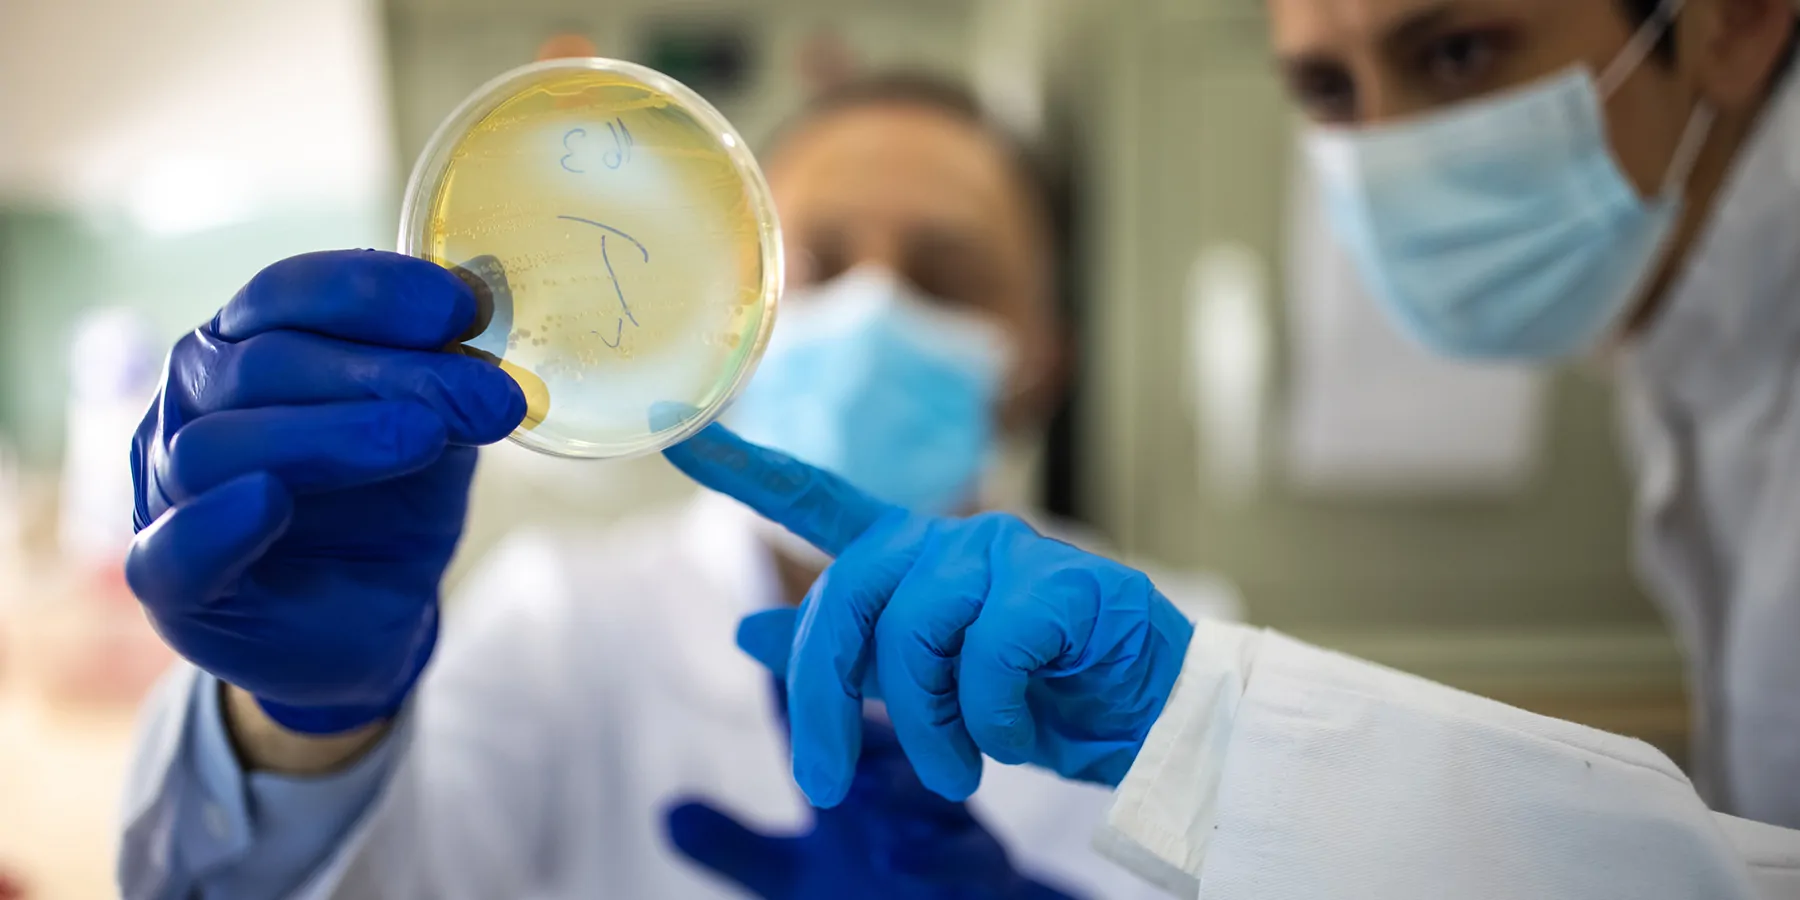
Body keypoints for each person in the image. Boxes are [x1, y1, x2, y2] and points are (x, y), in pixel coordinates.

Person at [115, 75, 1226, 898]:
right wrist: (299, 732)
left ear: (1042, 355)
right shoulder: (560, 618)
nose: (874, 310)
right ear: (735, 315)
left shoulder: (1171, 654)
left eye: (946, 276)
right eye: (823, 264)